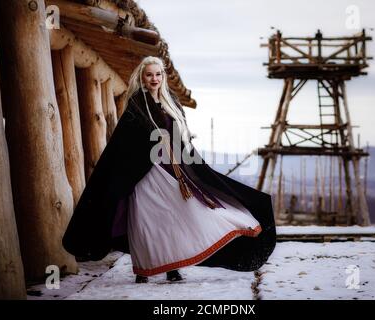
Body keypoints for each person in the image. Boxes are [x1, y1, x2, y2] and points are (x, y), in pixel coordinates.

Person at [62, 56, 276, 284]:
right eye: (149, 74)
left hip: (172, 168)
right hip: (142, 172)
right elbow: (124, 142)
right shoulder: (137, 104)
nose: (154, 78)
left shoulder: (171, 101)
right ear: (142, 78)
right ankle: (143, 270)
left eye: (158, 74)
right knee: (146, 221)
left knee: (176, 216)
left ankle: (174, 267)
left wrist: (189, 163)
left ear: (163, 77)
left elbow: (181, 139)